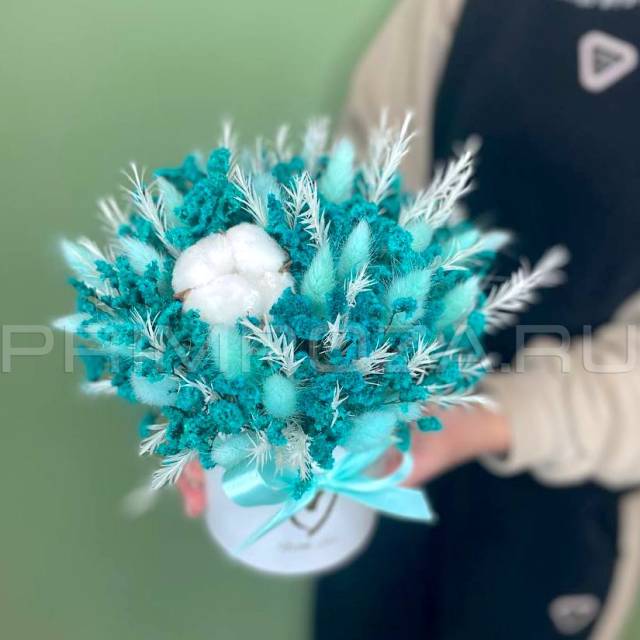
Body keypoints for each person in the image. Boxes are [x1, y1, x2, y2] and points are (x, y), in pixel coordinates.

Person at [182, 1, 640, 637]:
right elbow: (351, 222)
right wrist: (228, 386)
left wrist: (477, 420)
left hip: (559, 521)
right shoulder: (444, 12)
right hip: (376, 489)